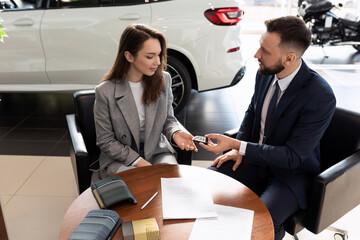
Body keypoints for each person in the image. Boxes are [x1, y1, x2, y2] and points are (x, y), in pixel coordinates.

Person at [200, 16, 336, 240]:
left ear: (289, 58)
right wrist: (238, 150)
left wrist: (239, 144)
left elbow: (293, 157)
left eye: (265, 50)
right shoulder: (265, 73)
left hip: (290, 175)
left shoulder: (320, 96)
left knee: (257, 224)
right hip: (255, 161)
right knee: (205, 187)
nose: (256, 55)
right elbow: (252, 112)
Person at [93, 24, 197, 182]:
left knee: (171, 183)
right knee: (138, 184)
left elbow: (168, 120)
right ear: (129, 56)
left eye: (159, 55)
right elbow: (105, 141)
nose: (157, 62)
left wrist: (176, 132)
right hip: (121, 158)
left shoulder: (164, 80)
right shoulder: (105, 91)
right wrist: (139, 162)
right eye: (150, 56)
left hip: (157, 151)